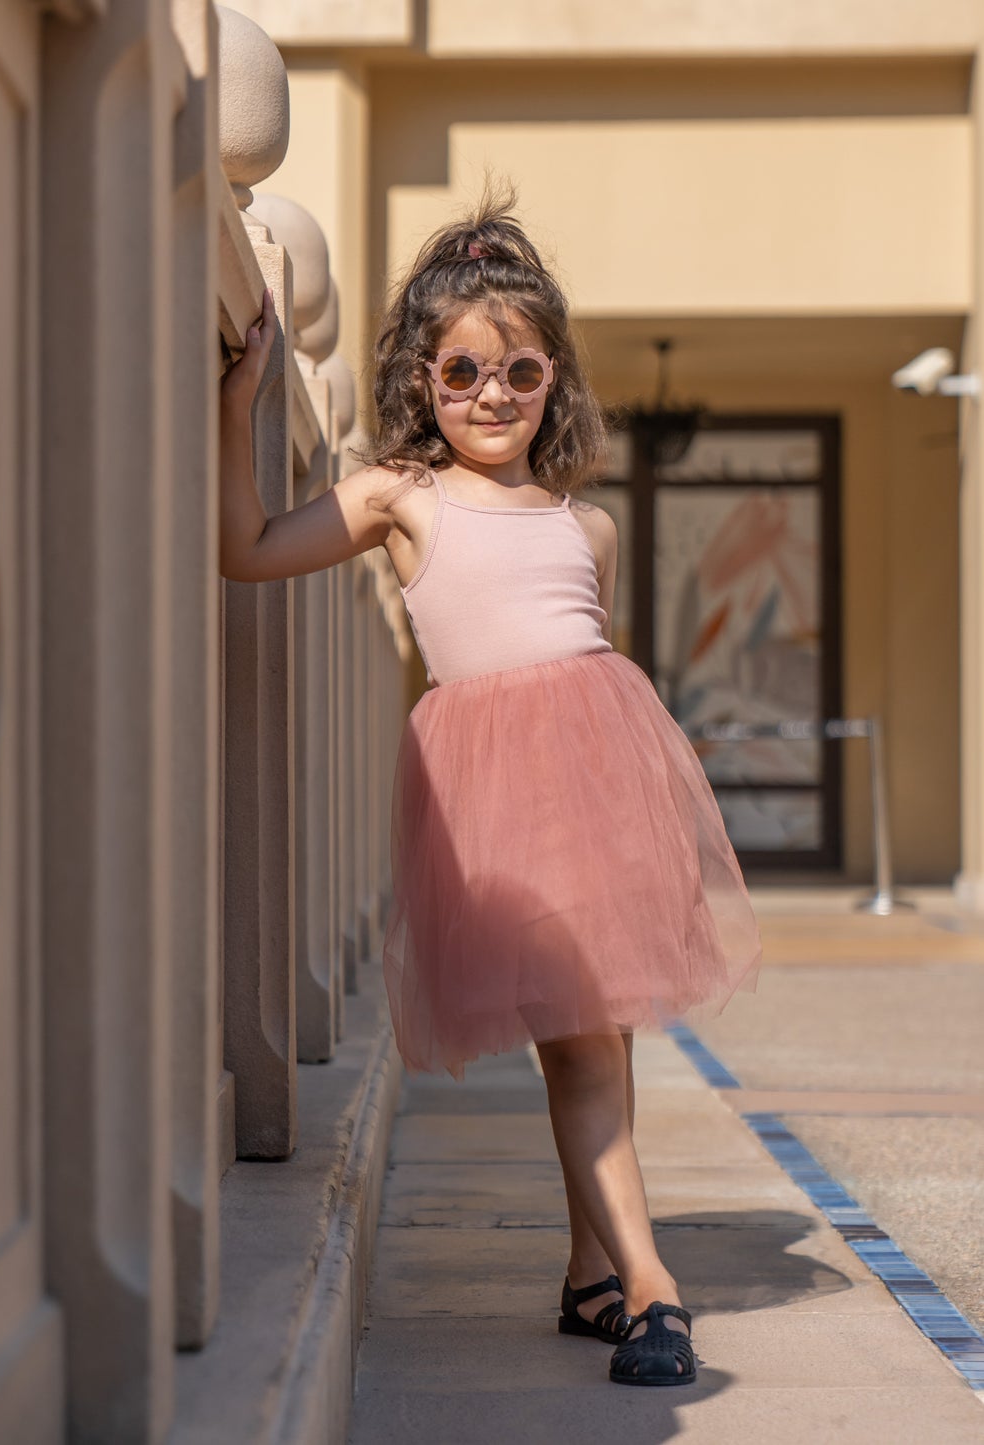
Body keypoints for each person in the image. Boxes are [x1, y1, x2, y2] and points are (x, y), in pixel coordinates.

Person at [218, 182, 763, 1387]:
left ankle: (593, 1275)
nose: (490, 398)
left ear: (554, 380)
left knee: (592, 1040)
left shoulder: (588, 525)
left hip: (601, 788)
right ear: (421, 378)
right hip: (494, 809)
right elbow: (246, 549)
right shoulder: (397, 499)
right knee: (580, 1049)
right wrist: (239, 405)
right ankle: (649, 1283)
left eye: (519, 373)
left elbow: (590, 673)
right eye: (462, 372)